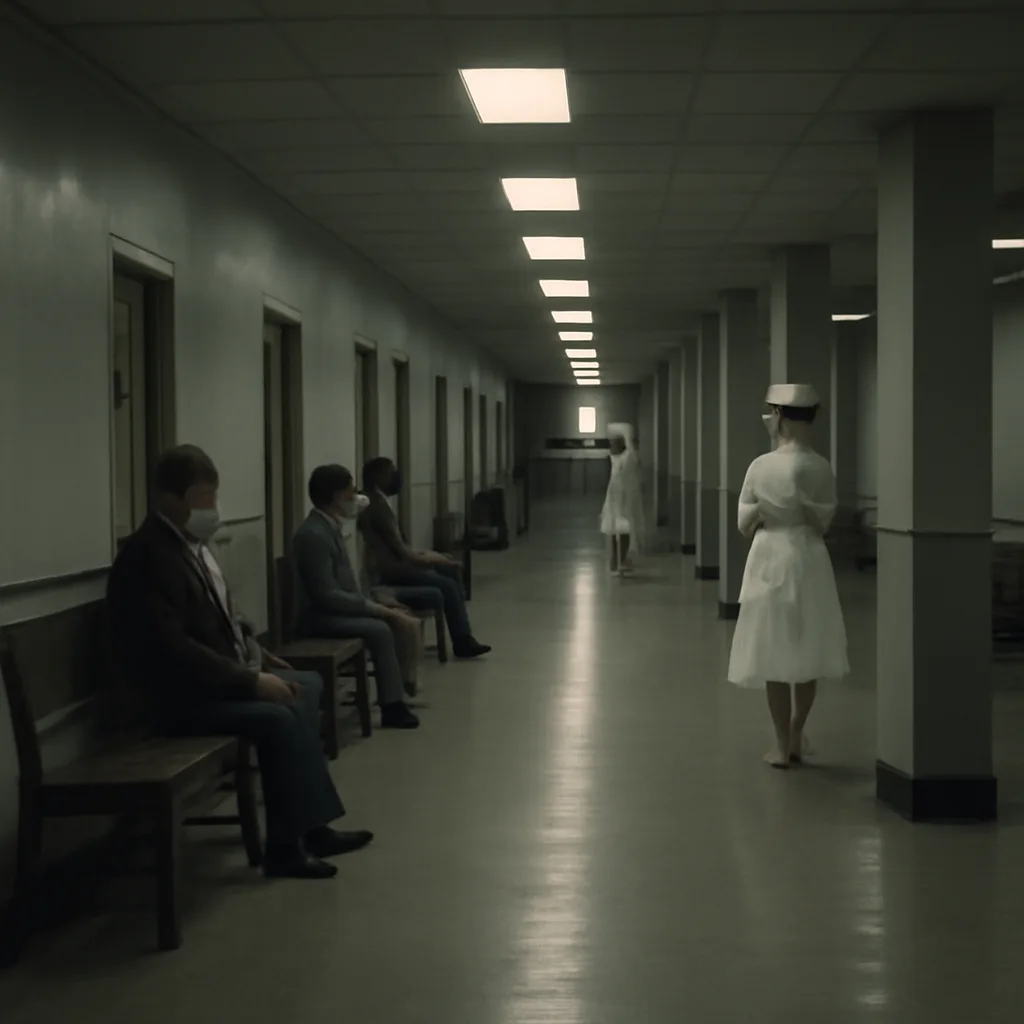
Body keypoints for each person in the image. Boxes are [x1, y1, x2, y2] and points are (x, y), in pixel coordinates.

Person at [107, 445, 371, 880]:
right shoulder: (147, 555)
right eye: (204, 496)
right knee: (279, 717)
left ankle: (312, 825)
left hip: (207, 682)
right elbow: (170, 648)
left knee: (307, 686)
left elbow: (214, 620)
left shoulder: (187, 546)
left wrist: (254, 653)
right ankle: (285, 848)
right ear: (170, 498)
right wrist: (249, 683)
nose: (212, 506)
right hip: (174, 699)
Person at [727, 384, 850, 769]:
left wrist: (767, 510)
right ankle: (797, 731)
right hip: (809, 557)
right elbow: (824, 520)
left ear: (778, 417)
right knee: (807, 647)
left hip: (770, 556)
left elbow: (744, 522)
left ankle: (781, 744)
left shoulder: (760, 467)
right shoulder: (821, 466)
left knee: (773, 651)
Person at [292, 465, 421, 728]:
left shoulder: (329, 527)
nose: (356, 498)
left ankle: (401, 689)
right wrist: (376, 610)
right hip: (318, 617)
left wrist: (377, 601)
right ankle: (392, 705)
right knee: (381, 629)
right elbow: (326, 594)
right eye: (351, 492)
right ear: (336, 496)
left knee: (399, 617)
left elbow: (345, 584)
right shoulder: (313, 535)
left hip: (335, 610)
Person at [359, 457, 490, 659]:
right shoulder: (376, 506)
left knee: (450, 573)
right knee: (446, 583)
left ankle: (463, 636)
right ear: (378, 477)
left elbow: (403, 548)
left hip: (397, 566)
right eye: (391, 471)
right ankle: (462, 641)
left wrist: (437, 558)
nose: (397, 476)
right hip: (391, 573)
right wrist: (435, 560)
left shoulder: (379, 502)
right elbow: (404, 552)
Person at [599, 422, 645, 574]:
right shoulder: (615, 458)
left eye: (615, 442)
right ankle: (615, 562)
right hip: (614, 498)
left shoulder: (628, 457)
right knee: (613, 530)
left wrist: (629, 440)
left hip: (624, 499)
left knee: (623, 530)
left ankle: (621, 560)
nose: (612, 445)